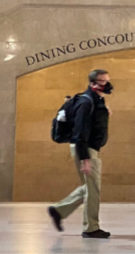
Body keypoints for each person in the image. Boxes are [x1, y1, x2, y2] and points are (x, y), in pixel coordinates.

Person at [48, 69, 113, 238]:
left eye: (107, 80)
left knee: (89, 187)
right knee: (93, 189)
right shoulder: (86, 102)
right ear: (93, 84)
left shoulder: (96, 100)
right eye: (103, 82)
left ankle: (59, 211)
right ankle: (91, 228)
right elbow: (79, 133)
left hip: (88, 148)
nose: (107, 84)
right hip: (84, 148)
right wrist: (85, 158)